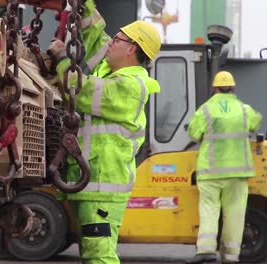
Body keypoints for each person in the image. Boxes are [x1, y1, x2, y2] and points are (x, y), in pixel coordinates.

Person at [48, 0, 161, 263]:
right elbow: (96, 34)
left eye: (118, 39)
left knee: (99, 255)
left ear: (131, 48)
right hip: (93, 183)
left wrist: (62, 58)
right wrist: (83, 5)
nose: (111, 42)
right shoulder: (112, 71)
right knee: (92, 253)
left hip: (102, 188)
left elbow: (82, 91)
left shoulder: (130, 86)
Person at [186, 71, 262, 264]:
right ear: (233, 88)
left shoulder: (205, 110)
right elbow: (256, 122)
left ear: (214, 88)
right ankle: (230, 256)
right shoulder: (244, 110)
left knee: (209, 209)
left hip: (210, 172)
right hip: (238, 173)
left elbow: (194, 133)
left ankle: (205, 250)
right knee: (235, 214)